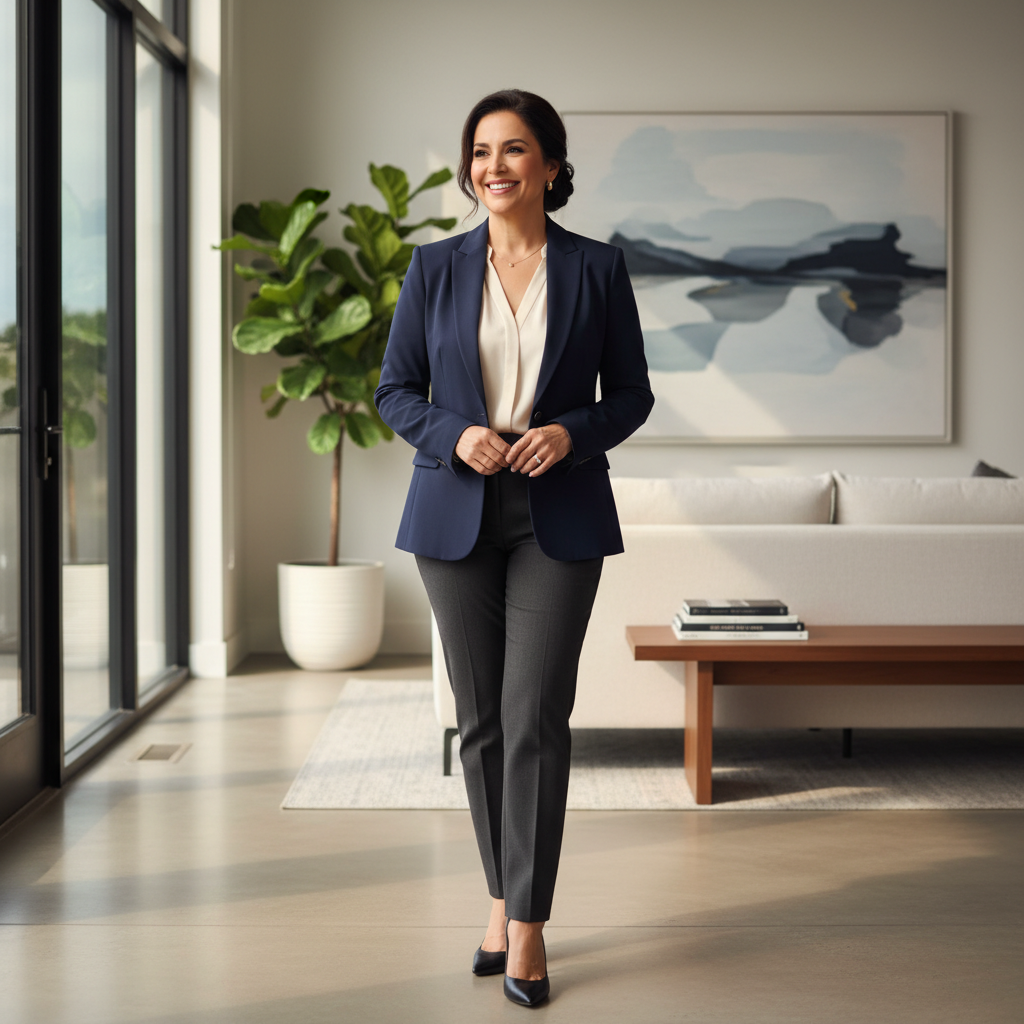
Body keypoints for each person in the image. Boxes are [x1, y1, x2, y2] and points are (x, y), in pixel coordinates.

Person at [374, 88, 653, 1006]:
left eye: (515, 150)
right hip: (454, 513)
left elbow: (632, 397)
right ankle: (501, 896)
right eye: (482, 151)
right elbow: (396, 391)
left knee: (536, 715)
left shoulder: (597, 269)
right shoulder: (434, 269)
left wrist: (573, 432)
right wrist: (455, 434)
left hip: (558, 515)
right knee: (483, 720)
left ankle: (527, 926)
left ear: (552, 167)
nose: (494, 166)